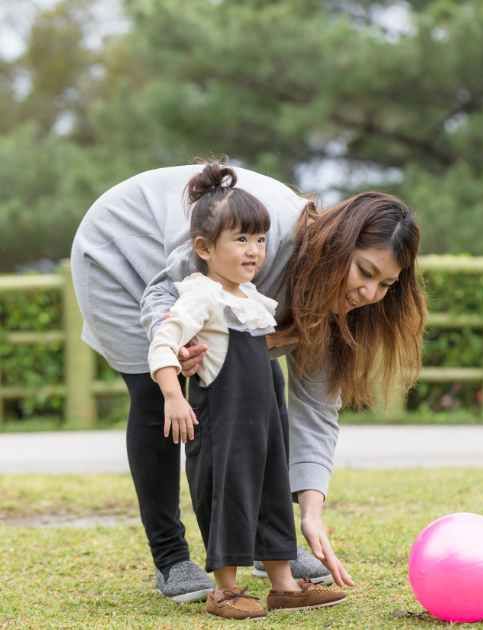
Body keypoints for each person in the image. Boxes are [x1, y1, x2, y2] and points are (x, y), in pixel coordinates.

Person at [70, 160, 425, 603]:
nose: (370, 294)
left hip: (170, 273)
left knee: (260, 393)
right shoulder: (265, 237)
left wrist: (312, 513)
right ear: (338, 245)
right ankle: (172, 558)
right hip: (120, 250)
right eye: (365, 272)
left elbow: (314, 408)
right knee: (155, 389)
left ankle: (270, 547)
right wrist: (173, 342)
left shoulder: (340, 302)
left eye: (386, 284)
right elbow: (165, 291)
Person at [148, 164, 347, 619]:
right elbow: (163, 341)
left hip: (265, 426)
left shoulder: (253, 299)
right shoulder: (199, 297)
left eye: (259, 239)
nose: (255, 250)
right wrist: (173, 395)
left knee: (272, 496)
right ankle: (226, 589)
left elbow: (268, 346)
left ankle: (284, 585)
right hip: (225, 426)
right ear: (203, 247)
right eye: (241, 240)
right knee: (230, 497)